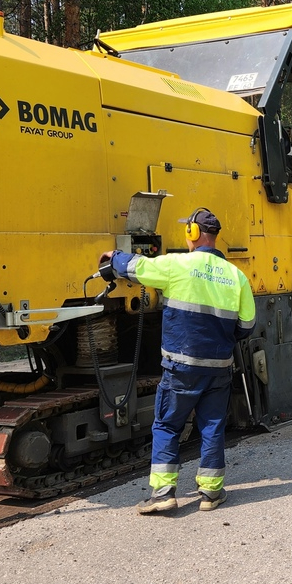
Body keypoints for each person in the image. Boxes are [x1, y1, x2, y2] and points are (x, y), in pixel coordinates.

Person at [101, 206, 256, 516]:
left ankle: (163, 494)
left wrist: (113, 256)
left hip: (181, 368)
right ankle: (211, 494)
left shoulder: (175, 266)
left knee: (168, 425)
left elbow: (136, 268)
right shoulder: (236, 276)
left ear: (192, 234)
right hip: (219, 368)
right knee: (212, 427)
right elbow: (247, 325)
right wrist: (221, 341)